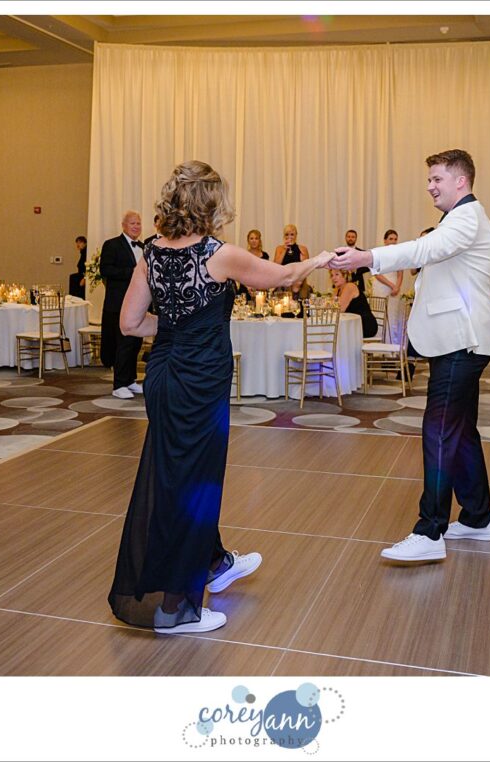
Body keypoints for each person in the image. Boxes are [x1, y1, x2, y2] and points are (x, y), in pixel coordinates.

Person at [108, 160, 333, 635]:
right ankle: (175, 609)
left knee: (178, 474)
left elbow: (130, 323)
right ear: (209, 204)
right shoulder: (218, 254)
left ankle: (214, 564)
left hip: (163, 374)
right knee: (194, 482)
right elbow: (282, 277)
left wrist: (174, 325)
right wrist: (319, 259)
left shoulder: (150, 253)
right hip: (200, 379)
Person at [330, 149, 490, 563]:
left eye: (437, 179)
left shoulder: (467, 217)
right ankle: (478, 518)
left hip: (461, 341)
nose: (430, 186)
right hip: (458, 341)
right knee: (460, 431)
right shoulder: (459, 219)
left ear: (461, 181)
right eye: (429, 179)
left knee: (439, 430)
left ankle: (430, 530)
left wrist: (367, 257)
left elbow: (423, 251)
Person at [99, 210, 145, 399]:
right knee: (123, 344)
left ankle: (130, 380)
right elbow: (105, 270)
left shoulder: (144, 247)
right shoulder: (112, 245)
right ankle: (118, 384)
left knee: (135, 343)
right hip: (119, 303)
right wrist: (132, 272)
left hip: (140, 304)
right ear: (124, 225)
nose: (136, 226)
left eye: (138, 223)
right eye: (133, 223)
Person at [331, 268, 378, 338]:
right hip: (352, 324)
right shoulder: (337, 289)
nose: (333, 278)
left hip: (364, 324)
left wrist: (330, 306)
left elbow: (339, 309)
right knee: (335, 332)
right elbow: (331, 307)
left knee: (337, 333)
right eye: (332, 275)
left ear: (345, 276)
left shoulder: (350, 286)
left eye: (337, 274)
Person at [274, 224, 311, 300]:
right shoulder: (279, 248)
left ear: (296, 235)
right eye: (287, 234)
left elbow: (307, 267)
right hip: (283, 282)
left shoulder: (303, 248)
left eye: (292, 234)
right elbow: (276, 265)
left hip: (298, 283)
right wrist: (284, 250)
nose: (289, 237)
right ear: (284, 236)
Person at [234, 229, 270, 298]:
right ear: (248, 241)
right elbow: (239, 274)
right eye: (251, 238)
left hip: (261, 291)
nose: (254, 241)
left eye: (256, 238)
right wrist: (248, 287)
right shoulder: (243, 255)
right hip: (245, 291)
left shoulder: (265, 255)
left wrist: (260, 288)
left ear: (259, 240)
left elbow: (266, 274)